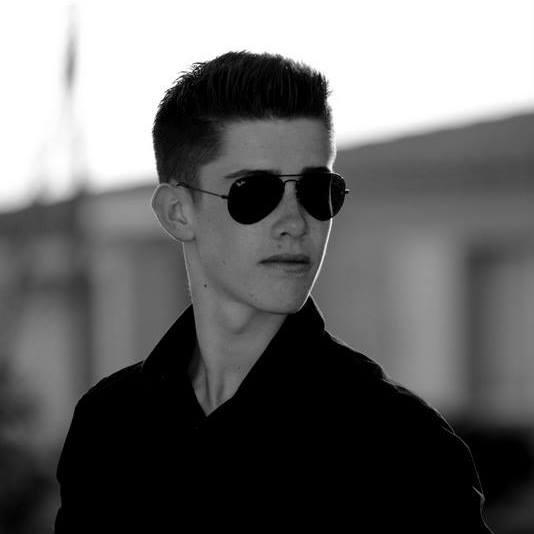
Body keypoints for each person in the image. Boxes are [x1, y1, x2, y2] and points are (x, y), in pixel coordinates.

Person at [54, 51, 493, 533]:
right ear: (177, 212)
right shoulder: (108, 425)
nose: (294, 223)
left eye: (316, 190)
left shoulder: (402, 446)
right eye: (253, 192)